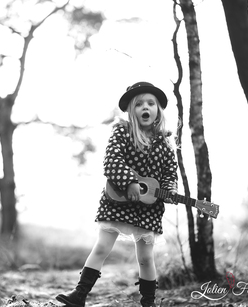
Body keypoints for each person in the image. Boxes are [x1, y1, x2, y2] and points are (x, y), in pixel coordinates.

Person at [55, 82, 178, 307]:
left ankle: (148, 302)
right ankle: (79, 295)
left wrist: (169, 190)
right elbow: (111, 161)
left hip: (147, 208)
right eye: (139, 104)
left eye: (151, 103)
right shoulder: (122, 131)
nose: (145, 107)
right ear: (131, 110)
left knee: (145, 258)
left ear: (158, 109)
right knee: (102, 247)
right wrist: (130, 182)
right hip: (117, 200)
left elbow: (170, 174)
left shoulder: (165, 143)